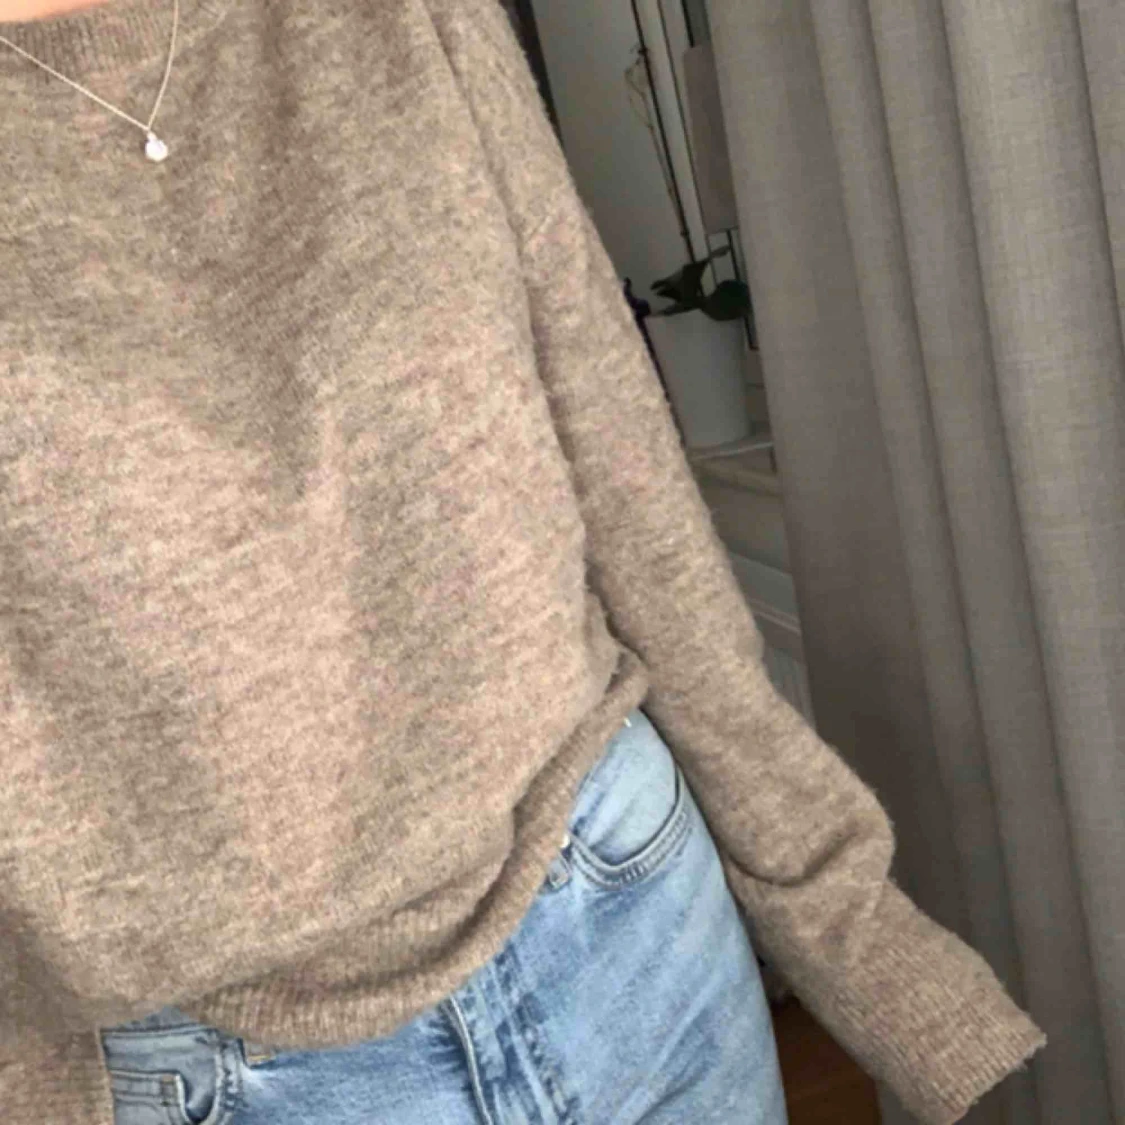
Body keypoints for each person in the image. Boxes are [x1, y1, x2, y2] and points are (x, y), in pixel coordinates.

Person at [0, 0, 1046, 1122]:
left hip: (633, 917)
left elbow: (617, 461)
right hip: (225, 1065)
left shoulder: (401, 18)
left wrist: (849, 924)